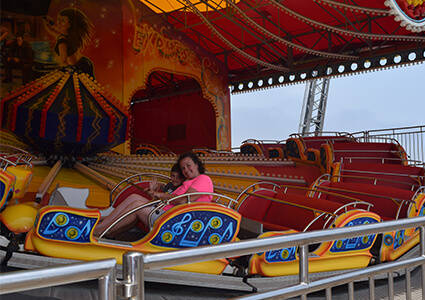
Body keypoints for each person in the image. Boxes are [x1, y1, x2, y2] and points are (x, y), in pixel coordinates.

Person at [93, 152, 213, 237]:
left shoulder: (203, 179)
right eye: (183, 168)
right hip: (165, 212)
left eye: (188, 165)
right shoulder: (186, 183)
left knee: (137, 205)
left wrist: (158, 194)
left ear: (197, 164)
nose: (186, 170)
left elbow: (183, 200)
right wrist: (154, 194)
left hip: (174, 219)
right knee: (135, 198)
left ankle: (100, 231)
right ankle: (104, 227)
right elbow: (169, 200)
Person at [43, 8, 94, 77]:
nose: (58, 23)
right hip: (83, 63)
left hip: (77, 67)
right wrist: (46, 22)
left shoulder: (62, 41)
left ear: (70, 24)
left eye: (62, 21)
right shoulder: (67, 36)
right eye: (58, 20)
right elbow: (52, 30)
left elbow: (64, 62)